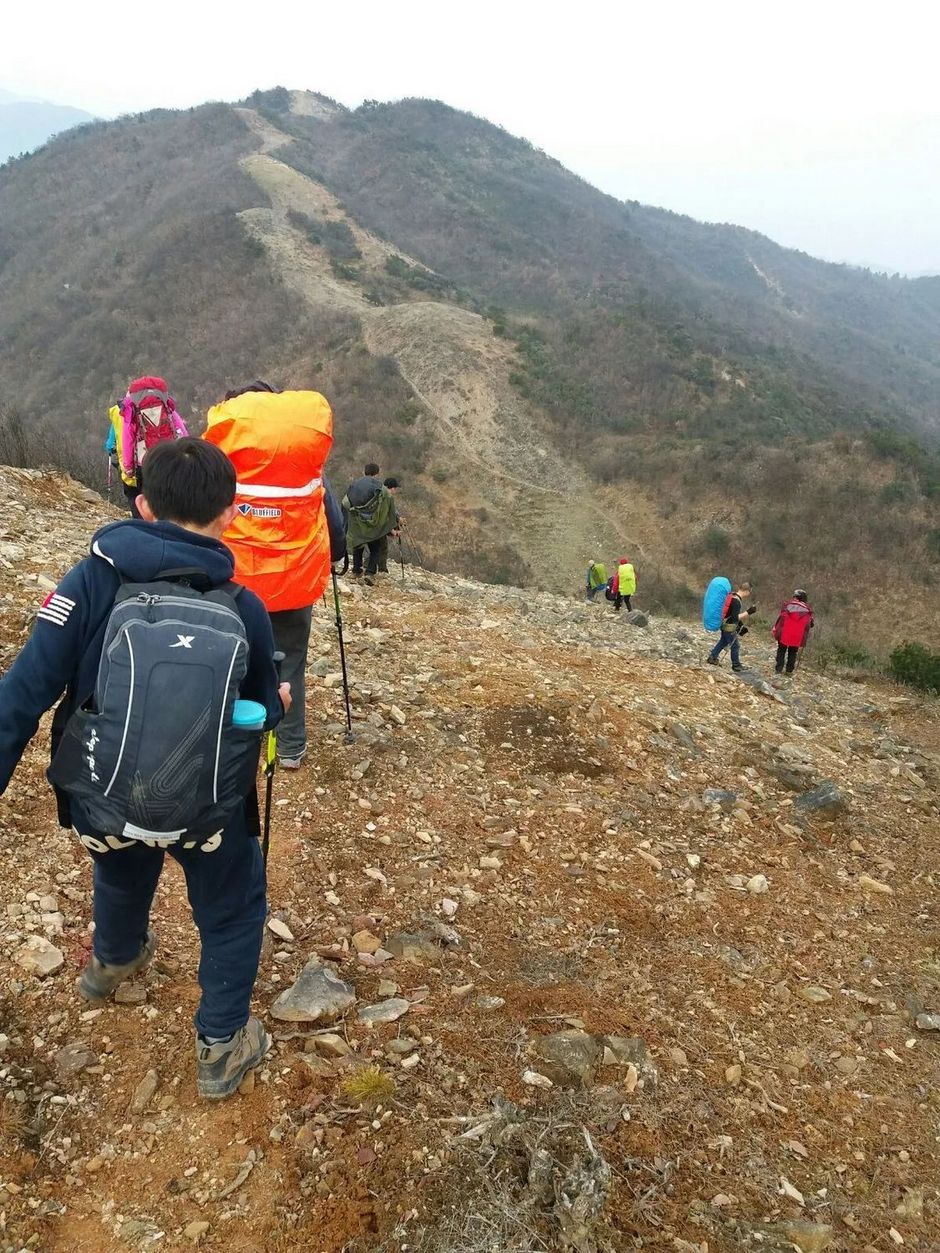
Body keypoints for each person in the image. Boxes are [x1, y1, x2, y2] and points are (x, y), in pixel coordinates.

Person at [0, 439, 288, 1100]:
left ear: (143, 506)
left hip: (101, 797)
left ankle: (113, 961)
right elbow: (258, 712)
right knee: (233, 906)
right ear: (230, 513)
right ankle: (221, 1046)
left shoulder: (89, 582)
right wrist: (278, 703)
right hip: (207, 812)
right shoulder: (242, 605)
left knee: (121, 866)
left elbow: (21, 694)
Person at [204, 382, 346, 771]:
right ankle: (290, 748)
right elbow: (334, 523)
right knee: (290, 662)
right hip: (295, 582)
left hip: (237, 583)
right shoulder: (306, 468)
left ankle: (233, 740)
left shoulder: (219, 466)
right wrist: (335, 555)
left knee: (231, 657)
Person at [105, 376, 188, 517]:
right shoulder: (164, 402)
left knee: (145, 500)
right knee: (170, 497)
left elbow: (127, 439)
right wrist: (187, 453)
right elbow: (180, 428)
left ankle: (146, 525)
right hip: (170, 457)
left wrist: (128, 467)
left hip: (145, 462)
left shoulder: (130, 407)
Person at [344, 463, 399, 586]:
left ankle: (356, 570)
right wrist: (392, 526)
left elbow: (346, 502)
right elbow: (387, 505)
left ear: (364, 472)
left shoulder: (354, 484)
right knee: (375, 548)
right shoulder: (379, 487)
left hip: (357, 522)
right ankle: (370, 573)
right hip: (372, 524)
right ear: (377, 473)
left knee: (358, 545)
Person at [706, 581, 756, 671]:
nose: (749, 594)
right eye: (750, 592)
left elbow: (730, 614)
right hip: (729, 627)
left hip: (724, 624)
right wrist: (748, 612)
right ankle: (736, 665)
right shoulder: (736, 601)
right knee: (735, 646)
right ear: (747, 591)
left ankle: (712, 657)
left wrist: (740, 625)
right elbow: (735, 617)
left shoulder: (732, 596)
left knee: (723, 641)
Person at [772, 589, 814, 675]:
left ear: (795, 597)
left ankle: (778, 669)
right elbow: (810, 624)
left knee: (781, 650)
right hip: (797, 635)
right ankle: (789, 671)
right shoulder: (807, 610)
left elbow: (781, 618)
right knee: (793, 652)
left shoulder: (787, 606)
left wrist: (776, 629)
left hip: (784, 633)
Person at [377, 476, 403, 574]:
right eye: (395, 488)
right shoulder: (386, 497)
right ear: (392, 488)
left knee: (375, 547)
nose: (395, 491)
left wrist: (398, 519)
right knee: (382, 547)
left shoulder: (379, 494)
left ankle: (369, 566)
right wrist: (393, 531)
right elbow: (387, 516)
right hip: (379, 527)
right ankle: (382, 569)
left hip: (372, 526)